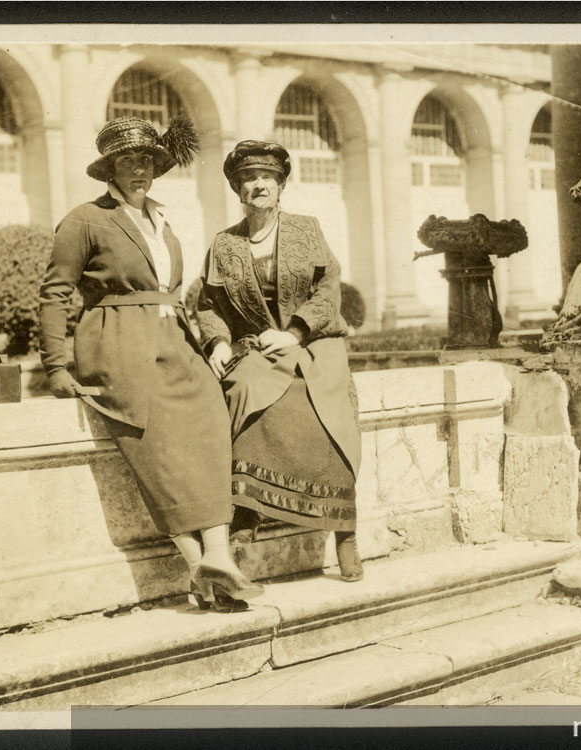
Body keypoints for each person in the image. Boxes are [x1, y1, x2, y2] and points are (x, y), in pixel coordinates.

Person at [39, 117, 263, 611]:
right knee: (156, 447)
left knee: (210, 422)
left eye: (144, 159)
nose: (137, 168)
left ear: (155, 167)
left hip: (175, 339)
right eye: (125, 161)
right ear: (109, 170)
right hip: (119, 341)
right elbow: (55, 293)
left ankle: (217, 560)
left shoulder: (162, 219)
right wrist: (56, 366)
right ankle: (201, 565)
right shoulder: (85, 219)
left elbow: (179, 292)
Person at [196, 140, 364, 581]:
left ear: (281, 185)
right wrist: (216, 342)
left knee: (327, 402)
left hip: (312, 341)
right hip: (259, 347)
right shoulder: (224, 243)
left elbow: (329, 289)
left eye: (267, 178)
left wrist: (294, 331)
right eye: (249, 179)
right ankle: (246, 516)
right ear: (238, 189)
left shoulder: (307, 229)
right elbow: (208, 303)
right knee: (245, 390)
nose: (259, 185)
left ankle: (344, 530)